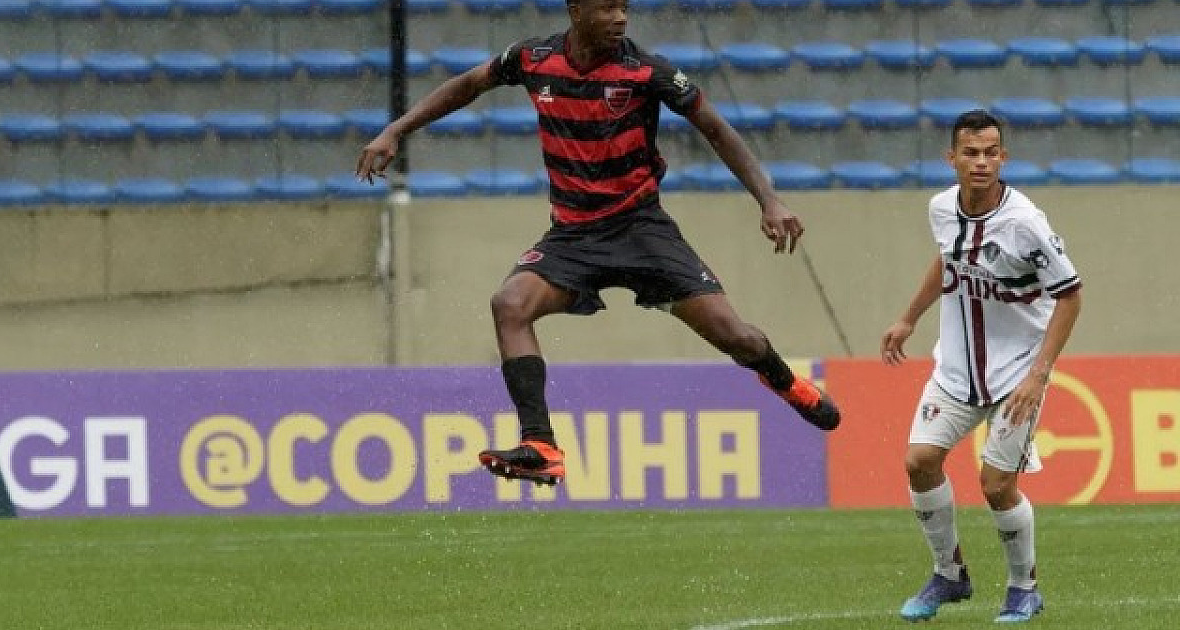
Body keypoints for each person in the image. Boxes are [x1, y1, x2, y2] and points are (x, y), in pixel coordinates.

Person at [355, 0, 840, 487]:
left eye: (624, 7)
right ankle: (541, 445)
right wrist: (396, 130)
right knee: (509, 304)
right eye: (607, 8)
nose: (620, 18)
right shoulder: (532, 59)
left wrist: (769, 201)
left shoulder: (647, 72)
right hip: (573, 237)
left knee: (738, 338)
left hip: (643, 231)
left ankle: (786, 383)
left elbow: (716, 129)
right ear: (575, 10)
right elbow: (467, 85)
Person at [881, 110, 1082, 624]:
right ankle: (949, 574)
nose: (981, 162)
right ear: (951, 159)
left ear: (1004, 158)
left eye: (991, 152)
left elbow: (1070, 296)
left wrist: (1039, 374)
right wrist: (907, 317)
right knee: (919, 461)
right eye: (970, 153)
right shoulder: (941, 209)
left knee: (996, 486)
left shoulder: (1026, 224)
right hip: (955, 368)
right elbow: (946, 260)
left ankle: (1024, 587)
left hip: (1016, 374)